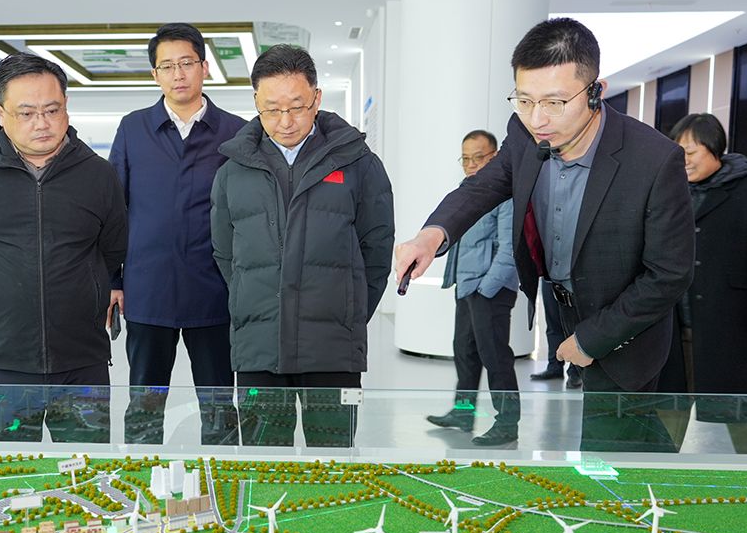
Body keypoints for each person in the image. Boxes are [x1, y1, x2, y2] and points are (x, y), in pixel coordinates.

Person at [394, 18, 694, 451]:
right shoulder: (523, 133)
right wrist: (432, 235)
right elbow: (483, 187)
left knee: (614, 454)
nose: (538, 119)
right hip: (560, 306)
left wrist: (592, 339)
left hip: (623, 323)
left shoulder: (654, 160)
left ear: (596, 91)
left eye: (554, 102)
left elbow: (669, 274)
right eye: (525, 100)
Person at [0, 53, 127, 441]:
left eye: (52, 110)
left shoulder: (98, 173)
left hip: (82, 361)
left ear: (66, 106)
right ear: (0, 112)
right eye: (26, 113)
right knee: (11, 469)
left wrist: (86, 288)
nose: (42, 123)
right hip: (1, 361)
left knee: (85, 468)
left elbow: (112, 248)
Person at [211, 44, 394, 446]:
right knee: (264, 463)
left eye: (297, 107)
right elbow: (226, 254)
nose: (285, 121)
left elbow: (377, 250)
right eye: (272, 109)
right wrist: (257, 301)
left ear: (317, 98)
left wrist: (348, 311)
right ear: (256, 103)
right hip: (259, 345)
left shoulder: (358, 164)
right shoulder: (232, 172)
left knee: (333, 460)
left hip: (333, 347)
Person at [109, 24, 246, 444]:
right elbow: (113, 210)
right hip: (148, 290)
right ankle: (139, 476)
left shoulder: (237, 132)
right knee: (144, 404)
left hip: (214, 291)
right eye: (166, 66)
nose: (178, 74)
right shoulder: (133, 129)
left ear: (205, 67)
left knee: (219, 405)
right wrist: (114, 281)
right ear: (155, 75)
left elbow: (249, 213)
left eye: (186, 63)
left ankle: (222, 476)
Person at [657, 115, 747, 445]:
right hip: (675, 325)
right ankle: (654, 471)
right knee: (665, 412)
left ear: (715, 149)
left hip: (733, 326)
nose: (683, 160)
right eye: (677, 152)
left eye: (691, 151)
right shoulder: (668, 192)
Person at [425, 130, 520, 440]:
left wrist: (486, 288)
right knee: (464, 353)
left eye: (478, 158)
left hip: (490, 290)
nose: (471, 165)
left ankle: (507, 424)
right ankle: (463, 413)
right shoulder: (468, 193)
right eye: (465, 159)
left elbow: (510, 248)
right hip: (466, 286)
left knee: (495, 357)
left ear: (495, 157)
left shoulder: (506, 195)